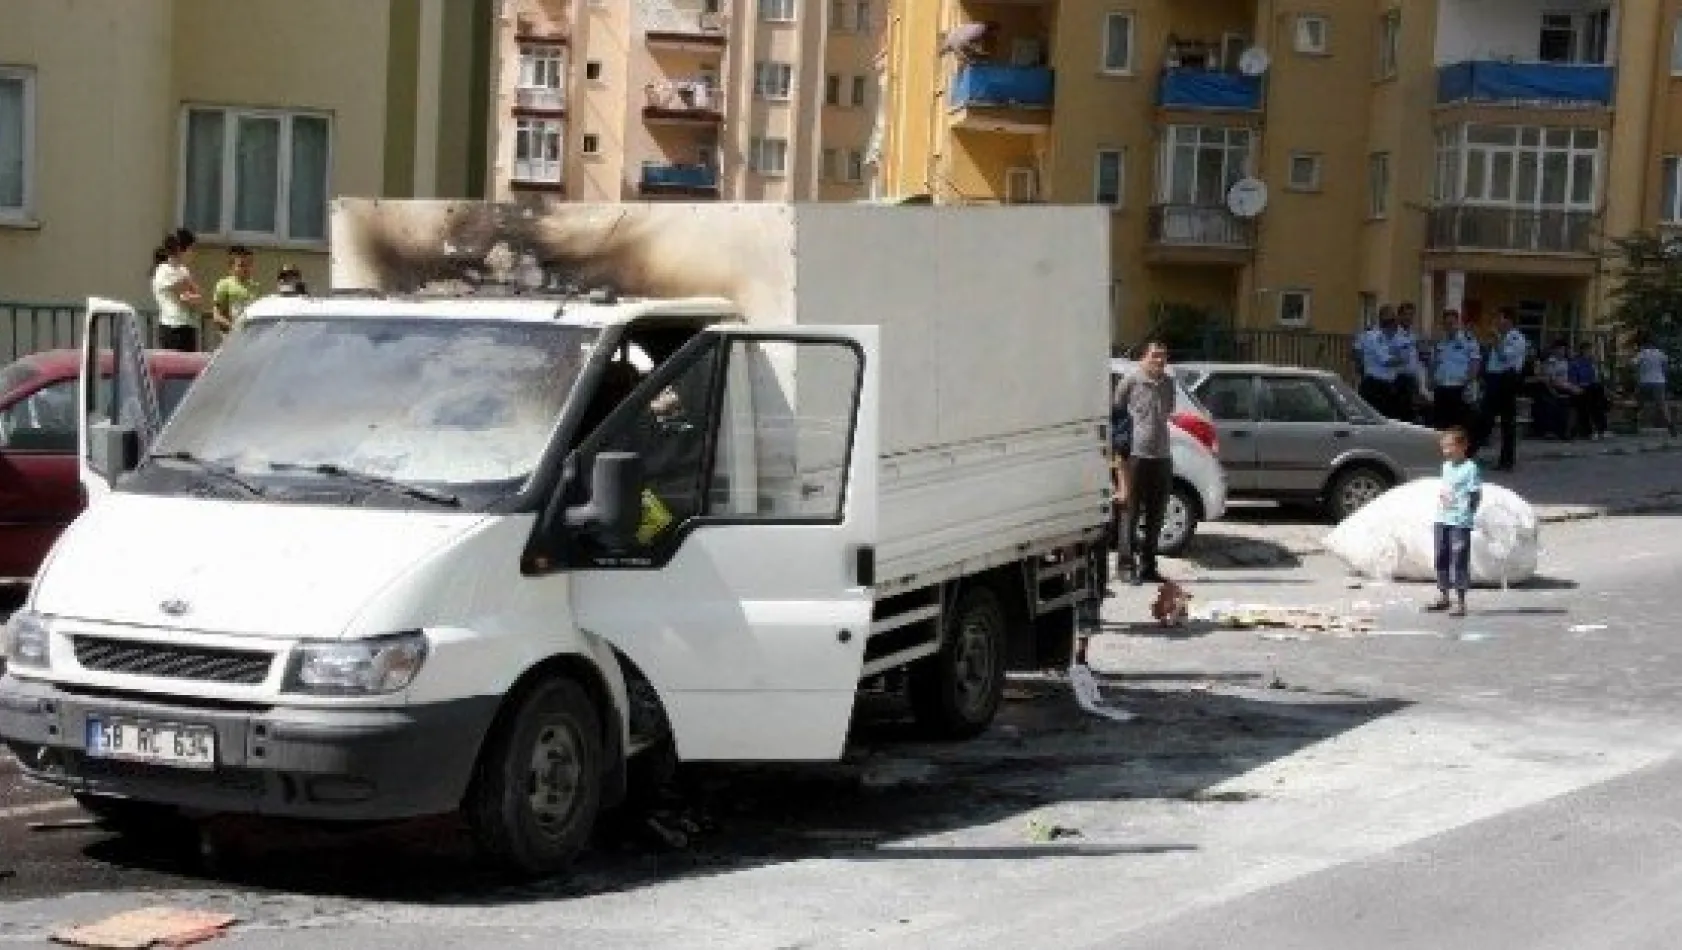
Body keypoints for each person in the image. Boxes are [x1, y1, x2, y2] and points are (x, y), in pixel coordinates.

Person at [1111, 341, 1176, 585]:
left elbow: (1168, 412)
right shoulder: (1130, 381)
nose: (1160, 360)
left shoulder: (1169, 384)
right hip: (1136, 456)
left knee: (1157, 514)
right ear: (1143, 358)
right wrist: (1120, 453)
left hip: (1162, 456)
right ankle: (1126, 566)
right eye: (1155, 356)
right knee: (1130, 512)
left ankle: (1149, 566)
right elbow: (1117, 416)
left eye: (1163, 356)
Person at [1426, 426, 1481, 619]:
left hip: (1460, 521)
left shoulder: (1470, 468)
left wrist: (1467, 514)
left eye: (1450, 446)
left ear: (1463, 446)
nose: (1446, 451)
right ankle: (1443, 595)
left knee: (1459, 559)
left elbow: (1475, 495)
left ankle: (1461, 601)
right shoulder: (1446, 466)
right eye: (1444, 447)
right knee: (1441, 556)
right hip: (1442, 518)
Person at [1478, 307, 1527, 470]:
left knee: (1507, 421)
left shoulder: (1516, 338)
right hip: (1493, 378)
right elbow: (1490, 359)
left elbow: (1505, 356)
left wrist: (1497, 341)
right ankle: (1473, 452)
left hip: (1507, 379)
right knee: (1485, 417)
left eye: (1500, 318)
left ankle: (1507, 460)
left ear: (1509, 321)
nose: (1497, 322)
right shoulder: (1499, 337)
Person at [150, 228, 203, 352]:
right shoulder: (164, 271)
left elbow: (198, 296)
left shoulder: (183, 270)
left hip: (188, 326)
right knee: (174, 369)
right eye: (191, 249)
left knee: (189, 369)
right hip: (172, 327)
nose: (193, 253)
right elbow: (185, 298)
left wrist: (192, 294)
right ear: (180, 250)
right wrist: (191, 294)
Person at [1429, 309, 1481, 431]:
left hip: (1458, 388)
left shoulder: (1468, 340)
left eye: (1452, 323)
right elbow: (1434, 362)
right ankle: (1442, 450)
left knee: (1457, 426)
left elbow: (1475, 364)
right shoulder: (1440, 341)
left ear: (1458, 323)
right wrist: (1430, 378)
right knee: (1440, 425)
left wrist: (1468, 385)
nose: (1449, 327)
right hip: (1441, 387)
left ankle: (1456, 450)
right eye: (1446, 324)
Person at [1357, 309, 1402, 419]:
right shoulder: (1376, 337)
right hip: (1376, 386)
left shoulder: (1385, 337)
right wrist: (1402, 359)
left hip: (1384, 385)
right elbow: (1386, 361)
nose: (1396, 327)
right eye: (1393, 322)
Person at [1633, 334, 1677, 437]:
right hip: (1659, 381)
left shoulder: (1642, 353)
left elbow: (1633, 364)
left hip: (1644, 382)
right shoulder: (1660, 354)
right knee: (1662, 404)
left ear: (1644, 344)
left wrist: (1639, 373)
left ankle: (1635, 422)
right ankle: (1670, 425)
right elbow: (1666, 367)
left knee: (1639, 402)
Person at [211, 245, 259, 337]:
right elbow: (216, 316)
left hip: (249, 335)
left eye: (249, 264)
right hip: (230, 335)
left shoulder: (255, 286)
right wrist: (233, 327)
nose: (246, 269)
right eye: (242, 265)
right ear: (231, 267)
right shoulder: (224, 284)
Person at [1536, 338, 1578, 440]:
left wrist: (1572, 386)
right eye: (1560, 349)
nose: (1562, 352)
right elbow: (1550, 378)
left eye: (1564, 350)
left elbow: (1566, 378)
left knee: (1578, 399)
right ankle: (1560, 431)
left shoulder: (1565, 361)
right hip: (1552, 386)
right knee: (1559, 402)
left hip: (1564, 385)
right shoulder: (1551, 361)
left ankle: (1570, 429)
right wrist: (1567, 386)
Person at [1569, 339, 1609, 441]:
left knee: (1595, 399)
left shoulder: (1591, 364)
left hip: (1591, 390)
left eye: (1591, 350)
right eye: (1588, 350)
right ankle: (1592, 430)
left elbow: (1594, 378)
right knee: (1592, 399)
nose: (1590, 353)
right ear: (1582, 351)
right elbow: (1574, 380)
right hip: (1579, 389)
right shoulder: (1576, 363)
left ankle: (1601, 429)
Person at [1393, 303, 1425, 423]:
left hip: (1411, 380)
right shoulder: (1393, 334)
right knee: (1396, 415)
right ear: (1399, 316)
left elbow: (1417, 358)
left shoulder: (1413, 335)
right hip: (1397, 379)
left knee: (1409, 416)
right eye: (1405, 315)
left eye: (1411, 315)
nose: (1408, 318)